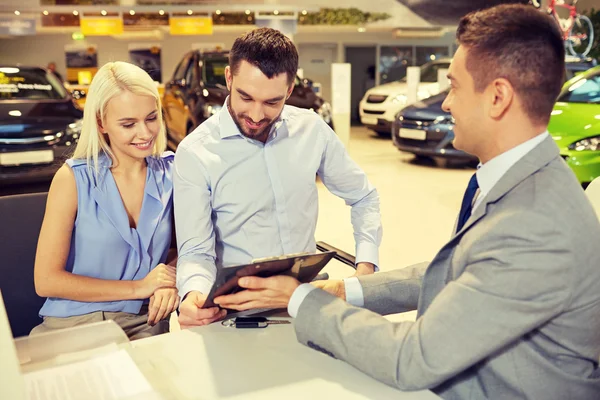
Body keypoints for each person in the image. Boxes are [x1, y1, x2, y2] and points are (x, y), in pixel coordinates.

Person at [214, 4, 600, 399]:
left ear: (498, 97)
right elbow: (457, 274)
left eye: (454, 86)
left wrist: (300, 298)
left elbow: (412, 358)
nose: (446, 104)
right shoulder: (519, 182)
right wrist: (347, 291)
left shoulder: (535, 222)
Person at [174, 27, 382, 328]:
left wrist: (366, 268)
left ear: (288, 91)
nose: (256, 115)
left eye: (272, 102)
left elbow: (363, 196)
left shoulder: (311, 129)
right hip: (236, 311)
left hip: (306, 297)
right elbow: (195, 251)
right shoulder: (195, 153)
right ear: (229, 79)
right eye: (245, 97)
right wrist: (193, 293)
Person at [32, 61, 179, 340]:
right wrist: (139, 288)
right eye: (128, 124)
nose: (145, 133)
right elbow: (46, 280)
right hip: (77, 323)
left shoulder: (173, 172)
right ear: (101, 122)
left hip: (149, 322)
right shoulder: (73, 179)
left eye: (151, 118)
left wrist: (171, 279)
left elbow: (190, 248)